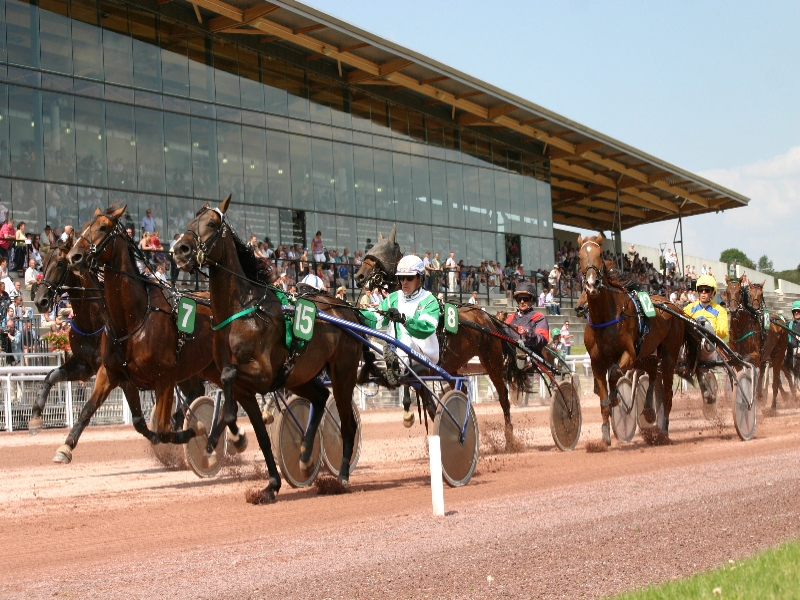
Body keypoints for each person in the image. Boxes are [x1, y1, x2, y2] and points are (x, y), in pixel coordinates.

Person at [361, 255, 440, 427]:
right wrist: (357, 315)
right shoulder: (393, 298)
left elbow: (425, 328)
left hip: (424, 355)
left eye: (409, 278)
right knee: (372, 343)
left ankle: (395, 366)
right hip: (396, 350)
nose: (404, 281)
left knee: (404, 336)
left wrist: (404, 319)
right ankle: (390, 366)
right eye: (401, 278)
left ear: (420, 278)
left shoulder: (429, 300)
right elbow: (376, 319)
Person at [683, 274, 728, 403]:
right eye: (701, 290)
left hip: (709, 347)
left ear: (712, 292)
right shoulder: (689, 308)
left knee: (701, 342)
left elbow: (723, 331)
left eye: (706, 290)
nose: (703, 293)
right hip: (688, 346)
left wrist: (708, 326)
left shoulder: (720, 311)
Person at [503, 282, 549, 365]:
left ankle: (522, 357)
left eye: (525, 298)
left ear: (531, 300)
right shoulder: (509, 319)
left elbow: (543, 339)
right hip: (510, 352)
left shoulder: (539, 317)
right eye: (519, 299)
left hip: (532, 354)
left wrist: (527, 334)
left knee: (524, 352)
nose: (522, 301)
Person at [785, 301, 800, 374]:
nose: (796, 313)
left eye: (798, 311)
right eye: (794, 311)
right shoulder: (789, 324)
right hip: (790, 351)